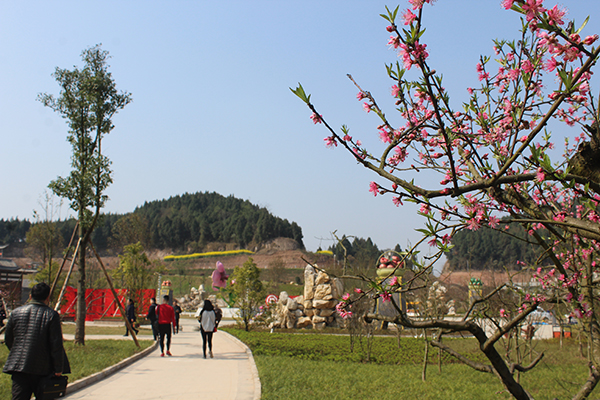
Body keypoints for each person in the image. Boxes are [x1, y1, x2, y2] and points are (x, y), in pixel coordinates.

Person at [3, 282, 70, 400]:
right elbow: (56, 344)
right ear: (48, 298)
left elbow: (8, 339)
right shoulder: (51, 315)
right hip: (43, 368)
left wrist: (17, 351)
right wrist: (58, 368)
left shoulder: (16, 313)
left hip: (19, 367)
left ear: (30, 296)